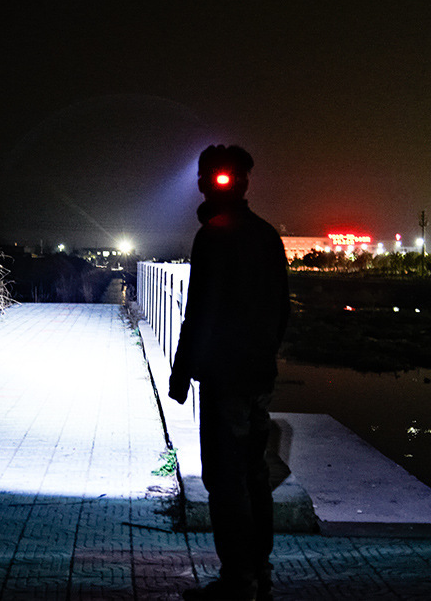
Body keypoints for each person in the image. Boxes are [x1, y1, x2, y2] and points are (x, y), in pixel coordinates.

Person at [169, 145, 290, 601]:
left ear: (207, 183)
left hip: (225, 378)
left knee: (224, 478)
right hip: (259, 375)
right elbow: (282, 312)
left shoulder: (213, 235)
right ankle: (259, 570)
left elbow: (199, 313)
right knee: (254, 474)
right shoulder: (267, 235)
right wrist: (266, 356)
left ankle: (237, 581)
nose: (206, 182)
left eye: (209, 176)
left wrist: (182, 374)